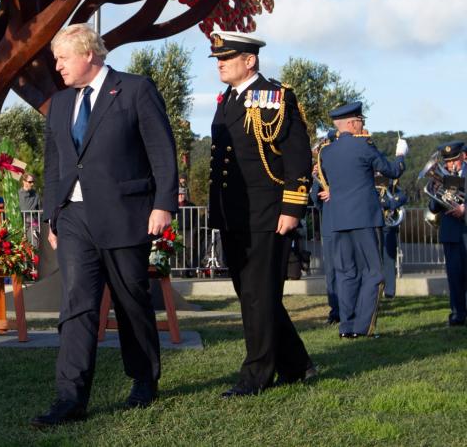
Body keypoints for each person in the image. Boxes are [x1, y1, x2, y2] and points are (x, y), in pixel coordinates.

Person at [31, 24, 178, 428]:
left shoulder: (134, 90)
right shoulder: (60, 104)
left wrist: (163, 204)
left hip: (125, 214)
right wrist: (52, 214)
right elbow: (55, 165)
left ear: (88, 55)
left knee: (131, 300)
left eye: (62, 58)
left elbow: (162, 151)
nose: (57, 66)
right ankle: (69, 397)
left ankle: (144, 379)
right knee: (76, 305)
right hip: (74, 218)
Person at [207, 30, 314, 397]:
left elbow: (298, 156)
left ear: (249, 60)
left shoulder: (276, 97)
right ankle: (297, 364)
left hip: (268, 212)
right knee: (254, 294)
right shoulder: (227, 101)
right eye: (218, 58)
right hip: (234, 213)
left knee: (259, 295)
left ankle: (256, 375)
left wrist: (292, 208)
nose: (219, 63)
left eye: (227, 57)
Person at [319, 102, 406, 339]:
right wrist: (401, 155)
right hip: (363, 218)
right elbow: (392, 171)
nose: (363, 125)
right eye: (360, 121)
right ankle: (363, 327)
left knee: (347, 273)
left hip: (338, 220)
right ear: (351, 123)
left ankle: (346, 327)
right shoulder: (363, 146)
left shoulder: (326, 152)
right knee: (373, 273)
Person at [430, 141, 467, 326]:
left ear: (463, 156)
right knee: (454, 276)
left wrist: (464, 209)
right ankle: (457, 314)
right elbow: (433, 207)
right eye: (448, 162)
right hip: (451, 232)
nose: (451, 165)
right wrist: (436, 191)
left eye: (454, 161)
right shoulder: (440, 177)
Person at [309, 143, 339, 325]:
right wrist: (316, 178)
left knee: (348, 270)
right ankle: (335, 311)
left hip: (345, 226)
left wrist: (334, 192)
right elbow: (315, 199)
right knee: (332, 273)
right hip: (329, 227)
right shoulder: (322, 173)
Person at [377, 180, 407, 299]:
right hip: (374, 227)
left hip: (388, 227)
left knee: (389, 260)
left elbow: (403, 197)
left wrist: (389, 203)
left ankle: (389, 292)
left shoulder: (391, 186)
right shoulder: (369, 184)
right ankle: (375, 290)